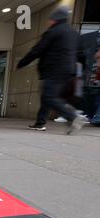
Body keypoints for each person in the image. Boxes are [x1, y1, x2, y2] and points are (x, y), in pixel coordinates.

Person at [17, 6, 86, 135]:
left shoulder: (54, 32)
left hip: (54, 69)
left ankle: (72, 116)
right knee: (47, 96)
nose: (49, 21)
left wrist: (22, 62)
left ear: (55, 19)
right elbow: (81, 55)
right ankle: (40, 122)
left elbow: (37, 50)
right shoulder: (74, 33)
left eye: (50, 19)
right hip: (68, 71)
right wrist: (80, 71)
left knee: (49, 97)